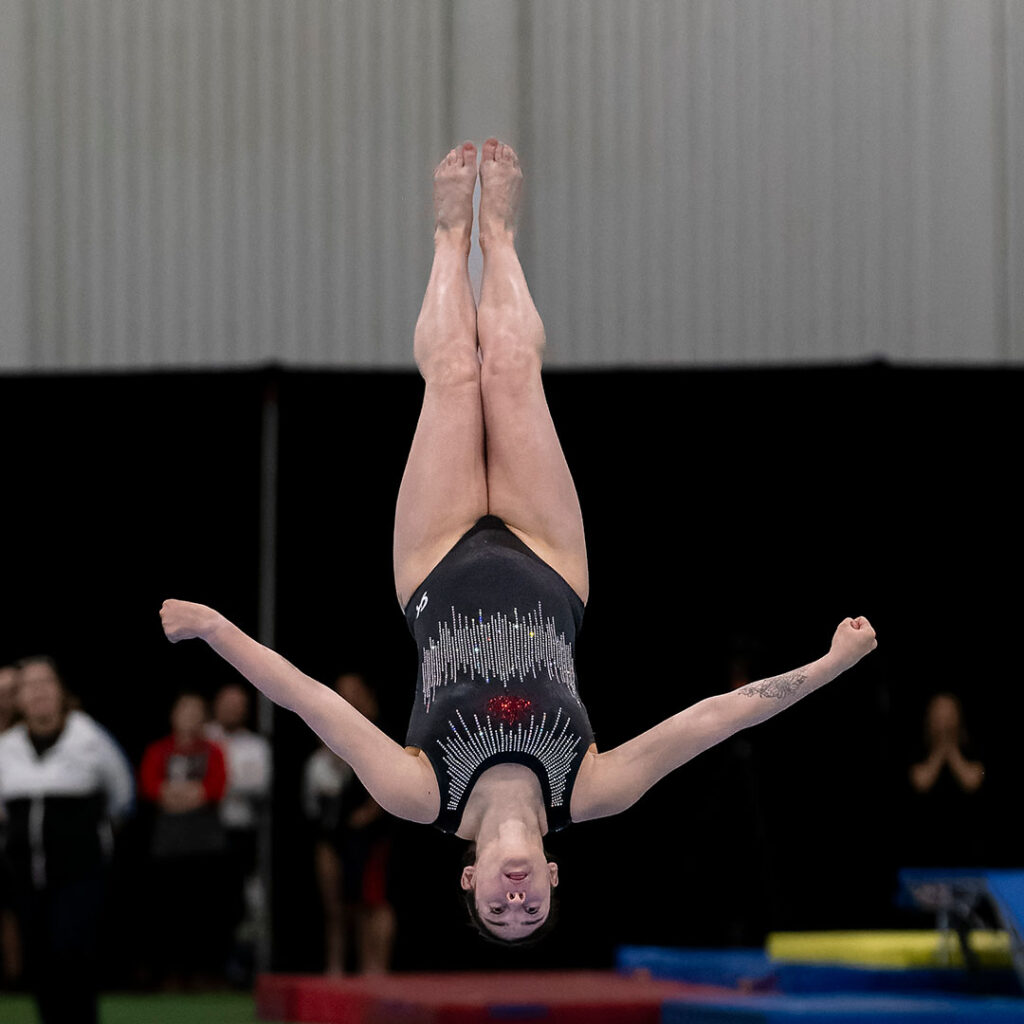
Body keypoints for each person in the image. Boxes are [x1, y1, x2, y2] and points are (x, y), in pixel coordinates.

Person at [159, 138, 879, 944]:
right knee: (507, 367)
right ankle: (497, 235)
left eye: (497, 908)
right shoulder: (592, 788)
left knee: (455, 378)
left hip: (432, 562)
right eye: (529, 909)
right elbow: (714, 720)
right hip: (551, 563)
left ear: (466, 878)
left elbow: (311, 702)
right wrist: (828, 668)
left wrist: (219, 631)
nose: (514, 898)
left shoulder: (419, 794)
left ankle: (447, 239)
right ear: (552, 877)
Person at [0, 656, 134, 1023]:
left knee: (71, 956)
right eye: (29, 685)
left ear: (61, 691)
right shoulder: (6, 747)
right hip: (26, 878)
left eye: (46, 682)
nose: (39, 691)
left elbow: (123, 797)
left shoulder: (90, 738)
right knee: (40, 964)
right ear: (19, 699)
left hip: (79, 876)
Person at [302, 673, 395, 974]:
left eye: (354, 692)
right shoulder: (329, 731)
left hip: (368, 833)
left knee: (372, 901)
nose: (348, 698)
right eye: (342, 692)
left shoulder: (379, 732)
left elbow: (393, 782)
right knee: (337, 906)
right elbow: (315, 798)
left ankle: (375, 967)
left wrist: (370, 812)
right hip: (334, 832)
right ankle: (336, 967)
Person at [138, 692, 228, 987]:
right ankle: (171, 974)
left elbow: (214, 788)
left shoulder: (213, 751)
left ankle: (206, 973)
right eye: (184, 710)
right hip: (168, 846)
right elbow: (151, 787)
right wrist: (190, 794)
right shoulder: (157, 750)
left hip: (205, 845)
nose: (189, 717)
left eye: (196, 711)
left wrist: (179, 794)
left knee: (205, 913)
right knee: (168, 913)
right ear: (173, 715)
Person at [204, 683, 271, 983]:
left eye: (238, 704)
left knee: (239, 902)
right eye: (226, 703)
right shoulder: (203, 738)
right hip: (202, 831)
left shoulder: (255, 746)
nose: (232, 709)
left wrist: (219, 784)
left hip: (239, 833)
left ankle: (236, 967)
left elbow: (258, 786)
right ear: (215, 704)